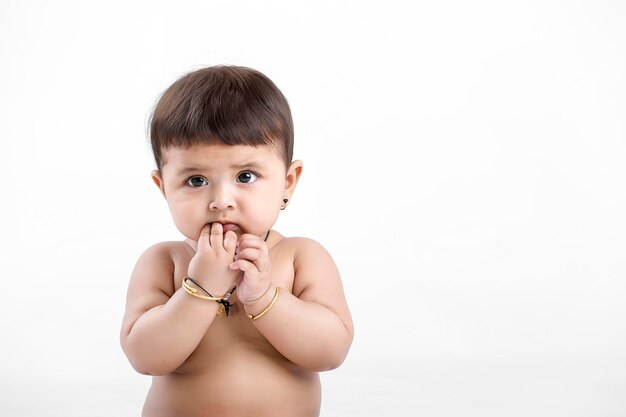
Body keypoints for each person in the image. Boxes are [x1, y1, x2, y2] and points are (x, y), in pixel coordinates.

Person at [120, 65, 354, 417]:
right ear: (163, 187)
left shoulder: (300, 258)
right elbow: (144, 357)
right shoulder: (164, 263)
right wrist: (199, 290)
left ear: (288, 182)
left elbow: (331, 351)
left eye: (246, 176)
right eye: (196, 180)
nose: (221, 200)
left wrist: (265, 298)